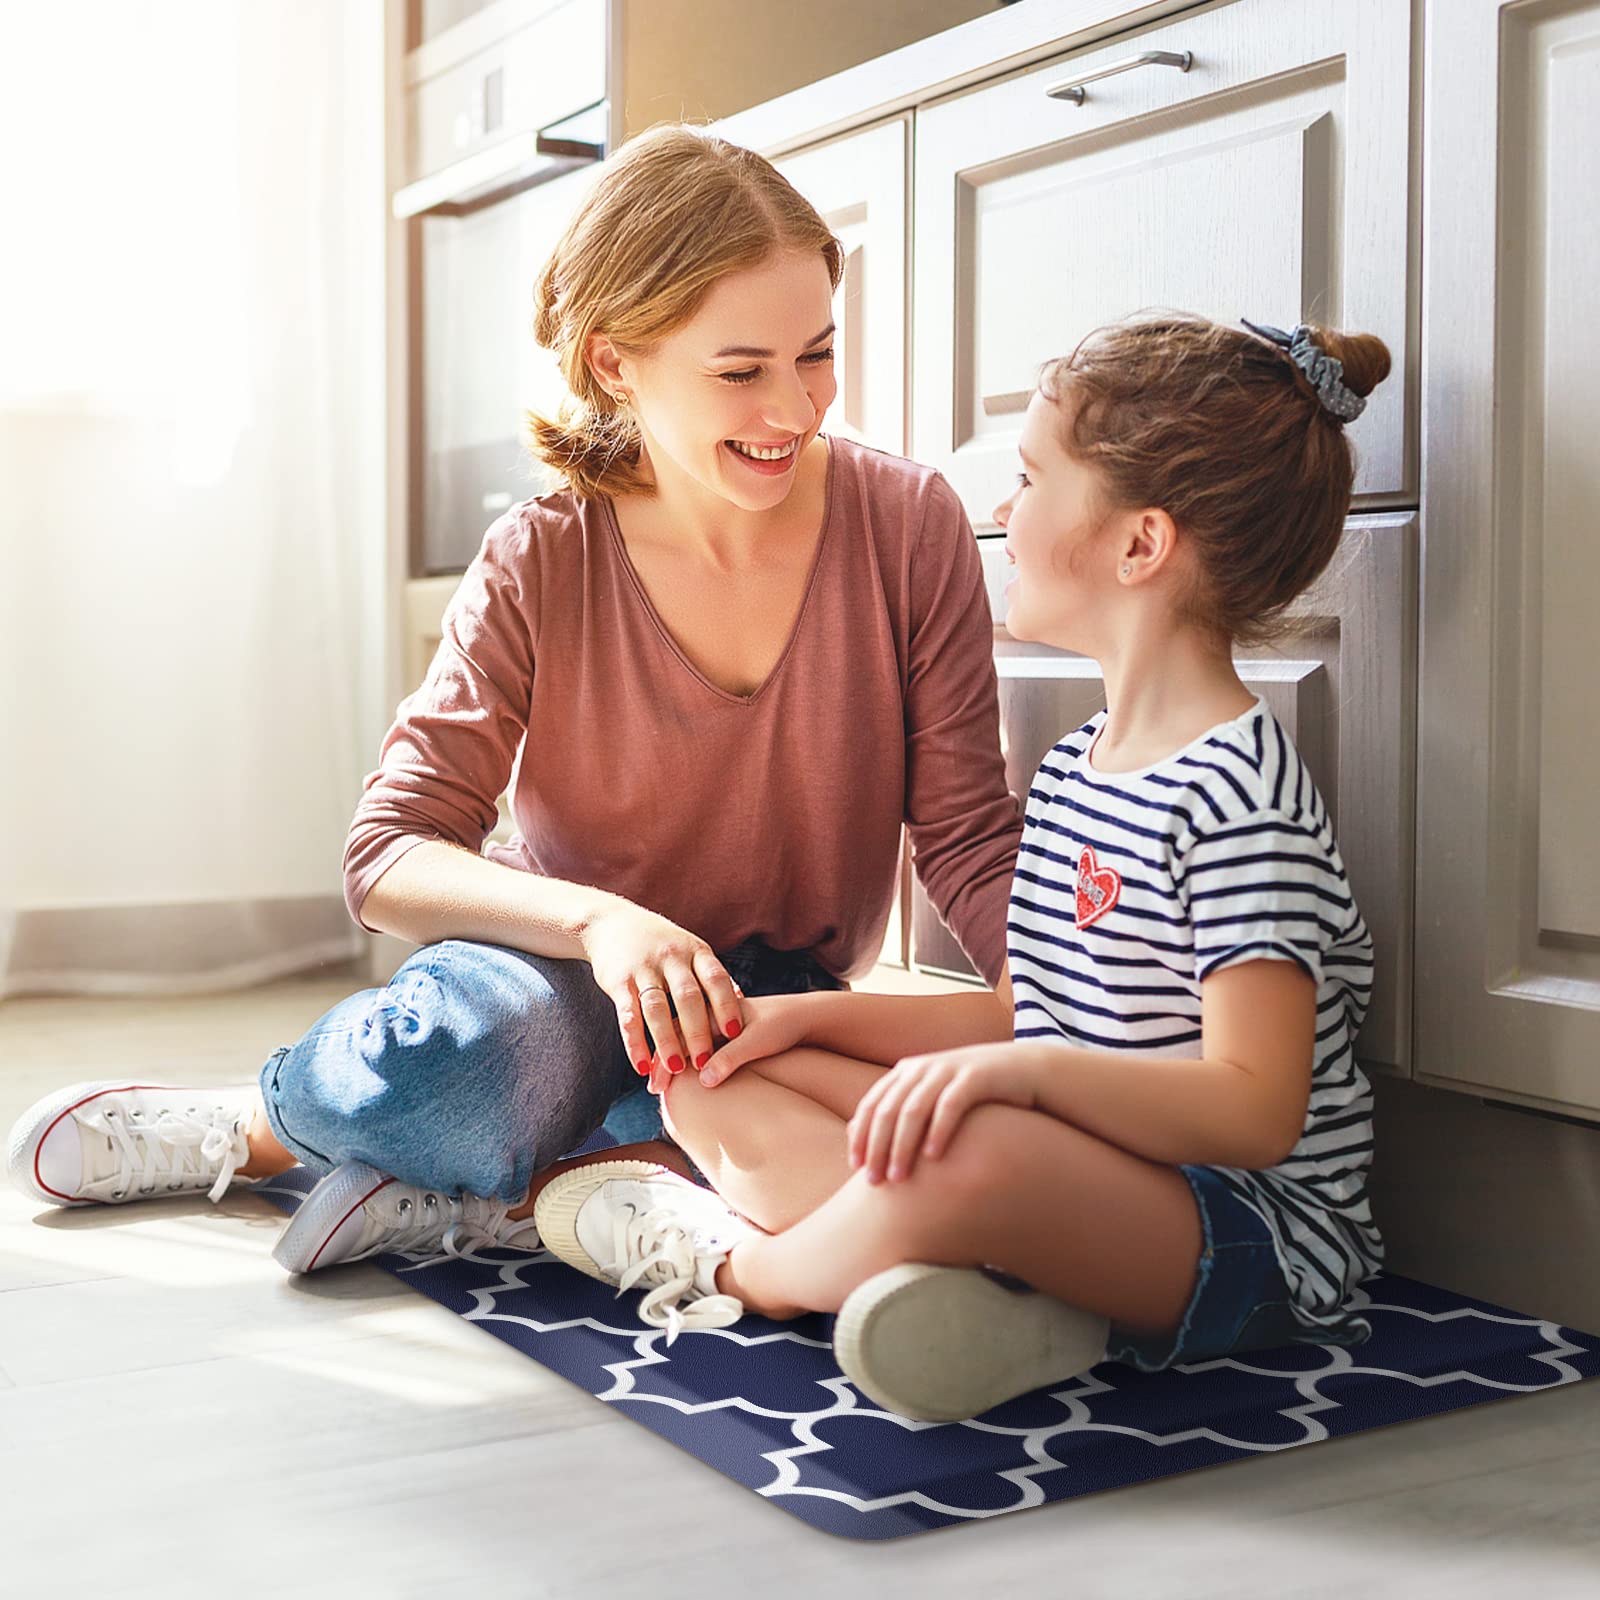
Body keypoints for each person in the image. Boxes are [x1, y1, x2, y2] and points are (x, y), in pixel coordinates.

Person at [7, 125, 1022, 1267]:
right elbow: (388, 855)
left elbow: (967, 835)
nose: (794, 407)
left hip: (773, 995)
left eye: (817, 354)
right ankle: (261, 1126)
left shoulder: (909, 524)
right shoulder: (543, 554)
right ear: (614, 362)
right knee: (462, 1060)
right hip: (558, 977)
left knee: (858, 1098)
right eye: (741, 372)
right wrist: (603, 924)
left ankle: (485, 1181)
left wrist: (1060, 1007)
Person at [528, 313, 1392, 1424]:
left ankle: (741, 1268)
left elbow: (1254, 1111)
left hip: (1239, 1231)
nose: (1001, 510)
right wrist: (799, 1024)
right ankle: (990, 1295)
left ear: (1139, 546)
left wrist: (1021, 1081)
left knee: (976, 1151)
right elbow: (1028, 1016)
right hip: (1069, 1162)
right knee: (710, 1071)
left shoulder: (1238, 797)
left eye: (1030, 479)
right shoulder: (1079, 766)